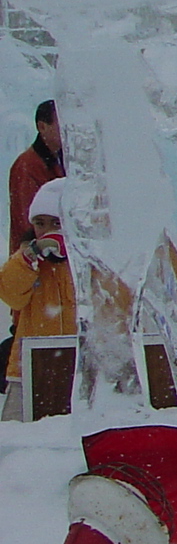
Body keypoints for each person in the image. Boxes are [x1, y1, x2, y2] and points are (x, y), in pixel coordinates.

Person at [0, 180, 74, 422]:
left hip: (78, 369)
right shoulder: (24, 260)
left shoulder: (89, 261)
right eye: (40, 223)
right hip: (28, 369)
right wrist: (27, 258)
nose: (48, 230)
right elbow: (11, 295)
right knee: (17, 442)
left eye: (56, 222)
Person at [8, 100, 62, 255]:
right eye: (61, 124)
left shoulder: (59, 159)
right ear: (42, 127)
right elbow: (27, 223)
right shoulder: (26, 166)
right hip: (36, 260)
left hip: (54, 256)